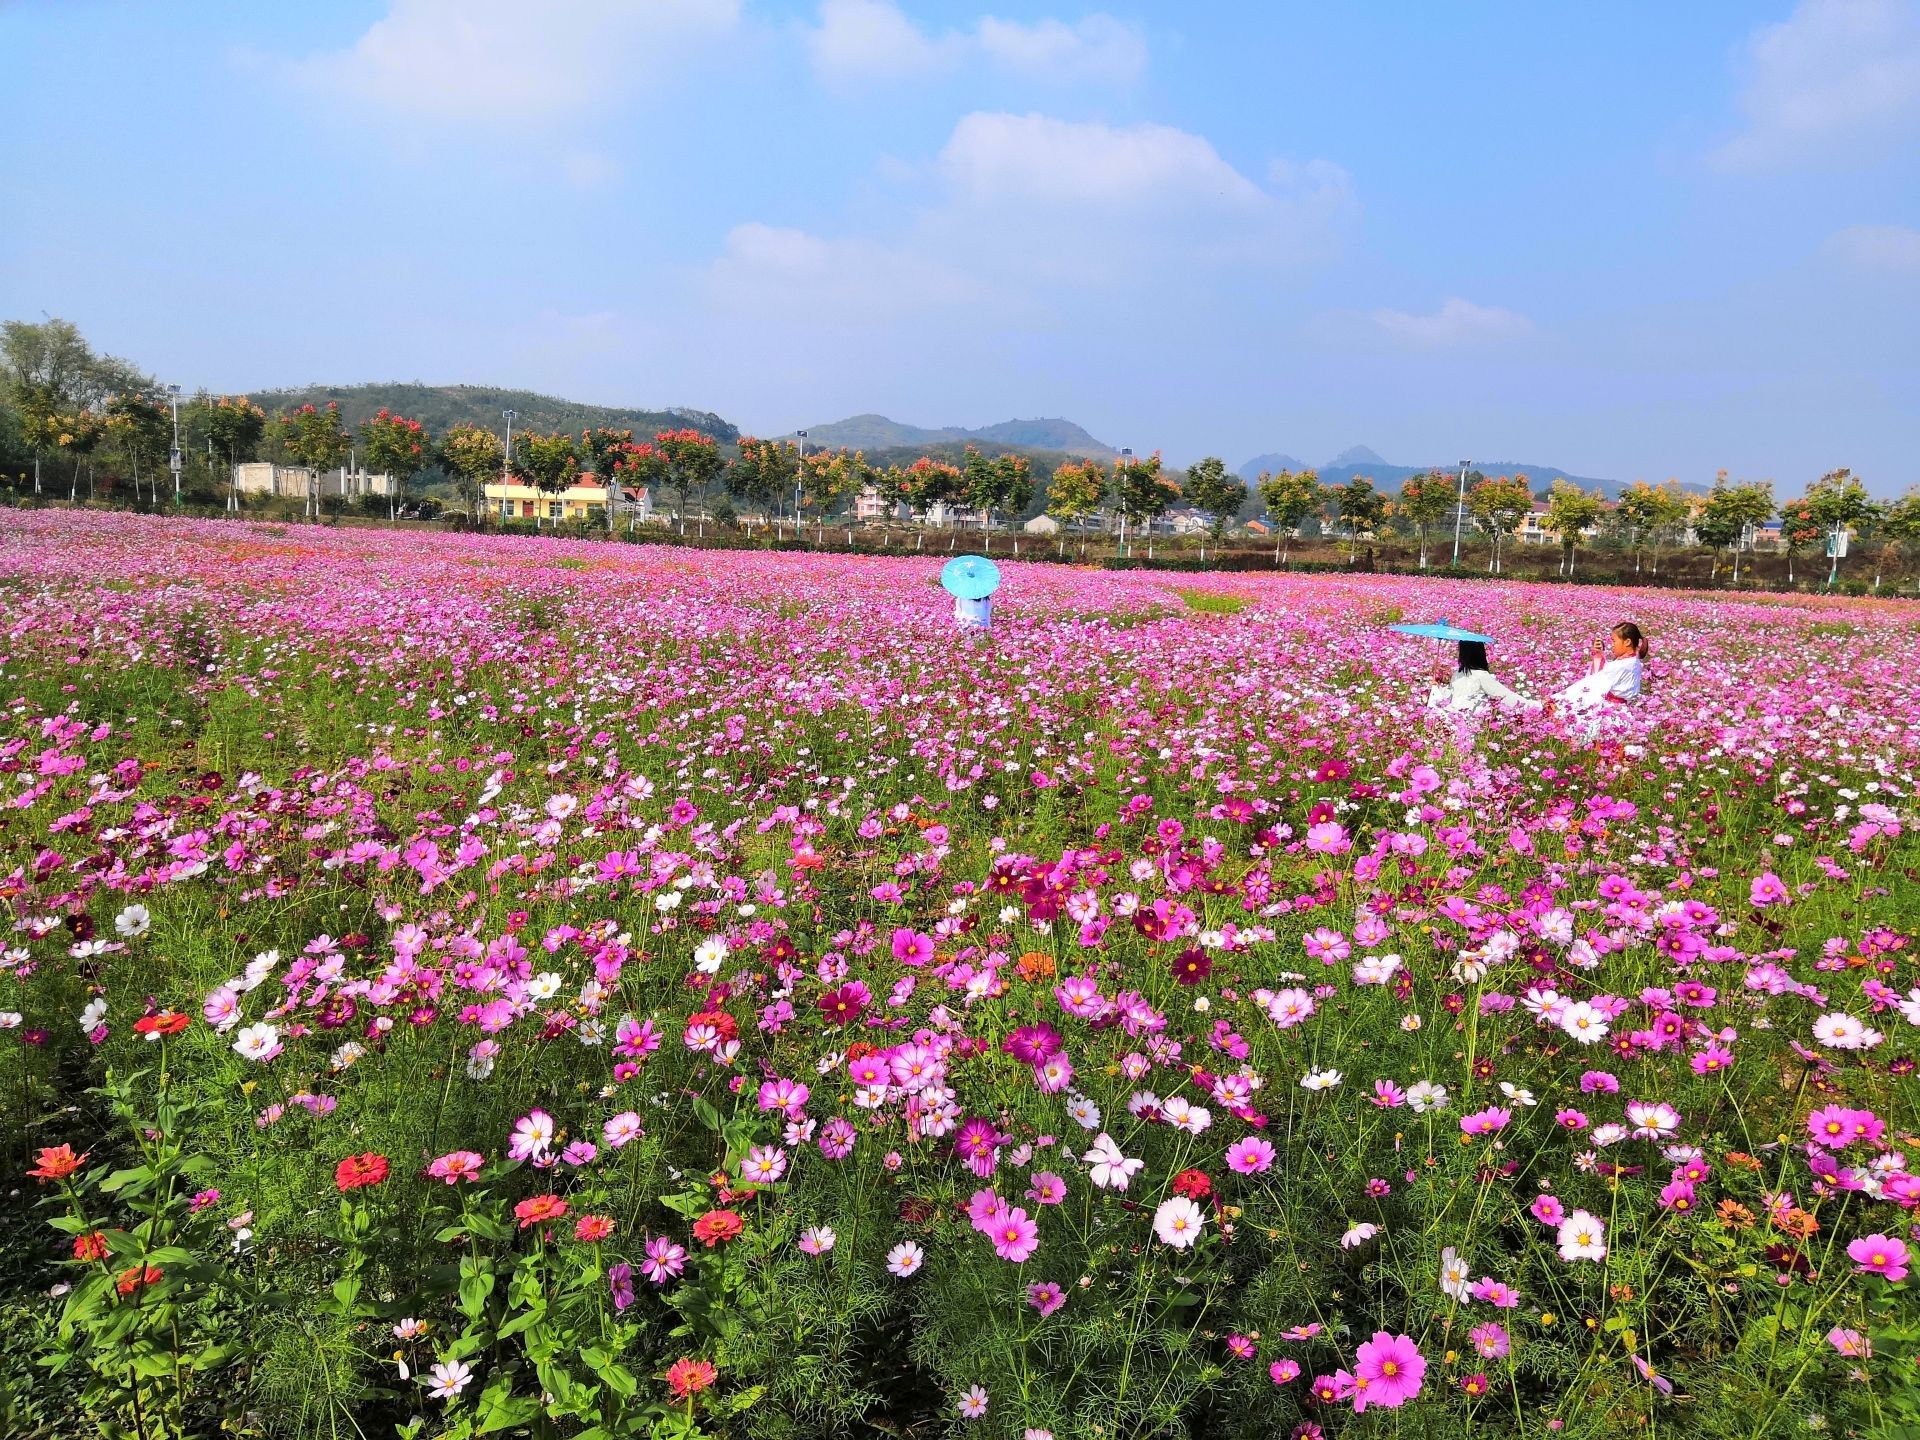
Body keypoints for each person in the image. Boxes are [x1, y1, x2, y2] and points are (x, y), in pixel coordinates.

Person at [1553, 621, 1648, 713]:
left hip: (1612, 710)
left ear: (1627, 642)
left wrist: (1558, 700)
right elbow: (1607, 671)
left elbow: (1595, 683)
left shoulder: (1624, 665)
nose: (1612, 645)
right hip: (1621, 710)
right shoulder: (1633, 661)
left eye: (1614, 641)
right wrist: (1599, 654)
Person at [1425, 640, 1541, 714]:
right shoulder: (1481, 676)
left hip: (1452, 722)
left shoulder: (1458, 673)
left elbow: (1448, 696)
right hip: (1468, 726)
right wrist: (1535, 706)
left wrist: (1437, 688)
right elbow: (1504, 696)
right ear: (1480, 654)